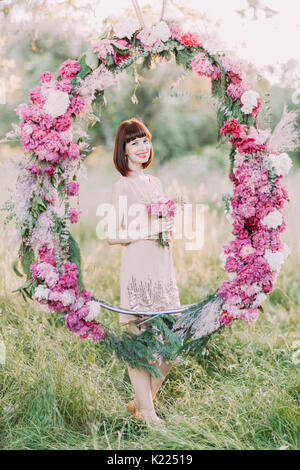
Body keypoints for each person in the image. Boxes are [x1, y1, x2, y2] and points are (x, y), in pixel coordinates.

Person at [107, 118, 181, 425]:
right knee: (140, 342)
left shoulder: (155, 183)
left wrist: (167, 228)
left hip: (163, 266)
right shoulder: (123, 185)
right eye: (134, 142)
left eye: (145, 140)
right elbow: (112, 233)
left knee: (172, 341)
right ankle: (149, 415)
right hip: (139, 265)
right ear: (123, 150)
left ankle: (142, 403)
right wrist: (150, 231)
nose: (142, 147)